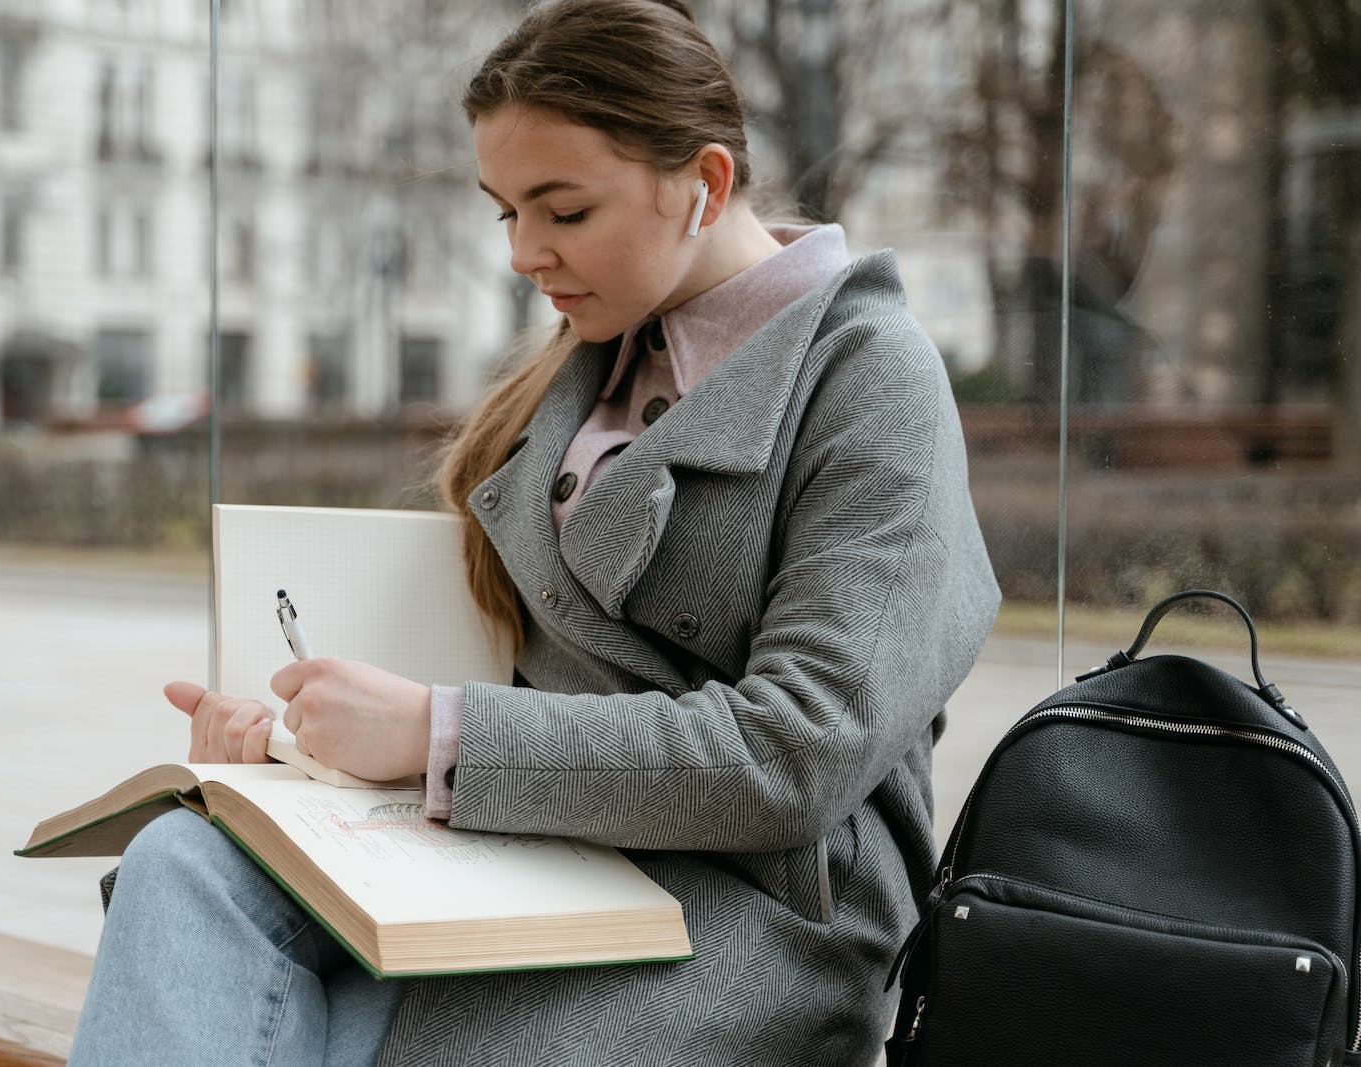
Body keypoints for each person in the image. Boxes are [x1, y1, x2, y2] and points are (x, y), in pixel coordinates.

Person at [69, 0, 999, 1063]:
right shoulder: (587, 354)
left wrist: (434, 733)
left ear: (704, 184)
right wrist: (304, 734)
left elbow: (798, 753)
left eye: (561, 209)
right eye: (504, 210)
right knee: (184, 863)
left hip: (749, 903)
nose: (523, 252)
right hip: (530, 848)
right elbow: (487, 666)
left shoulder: (868, 372)